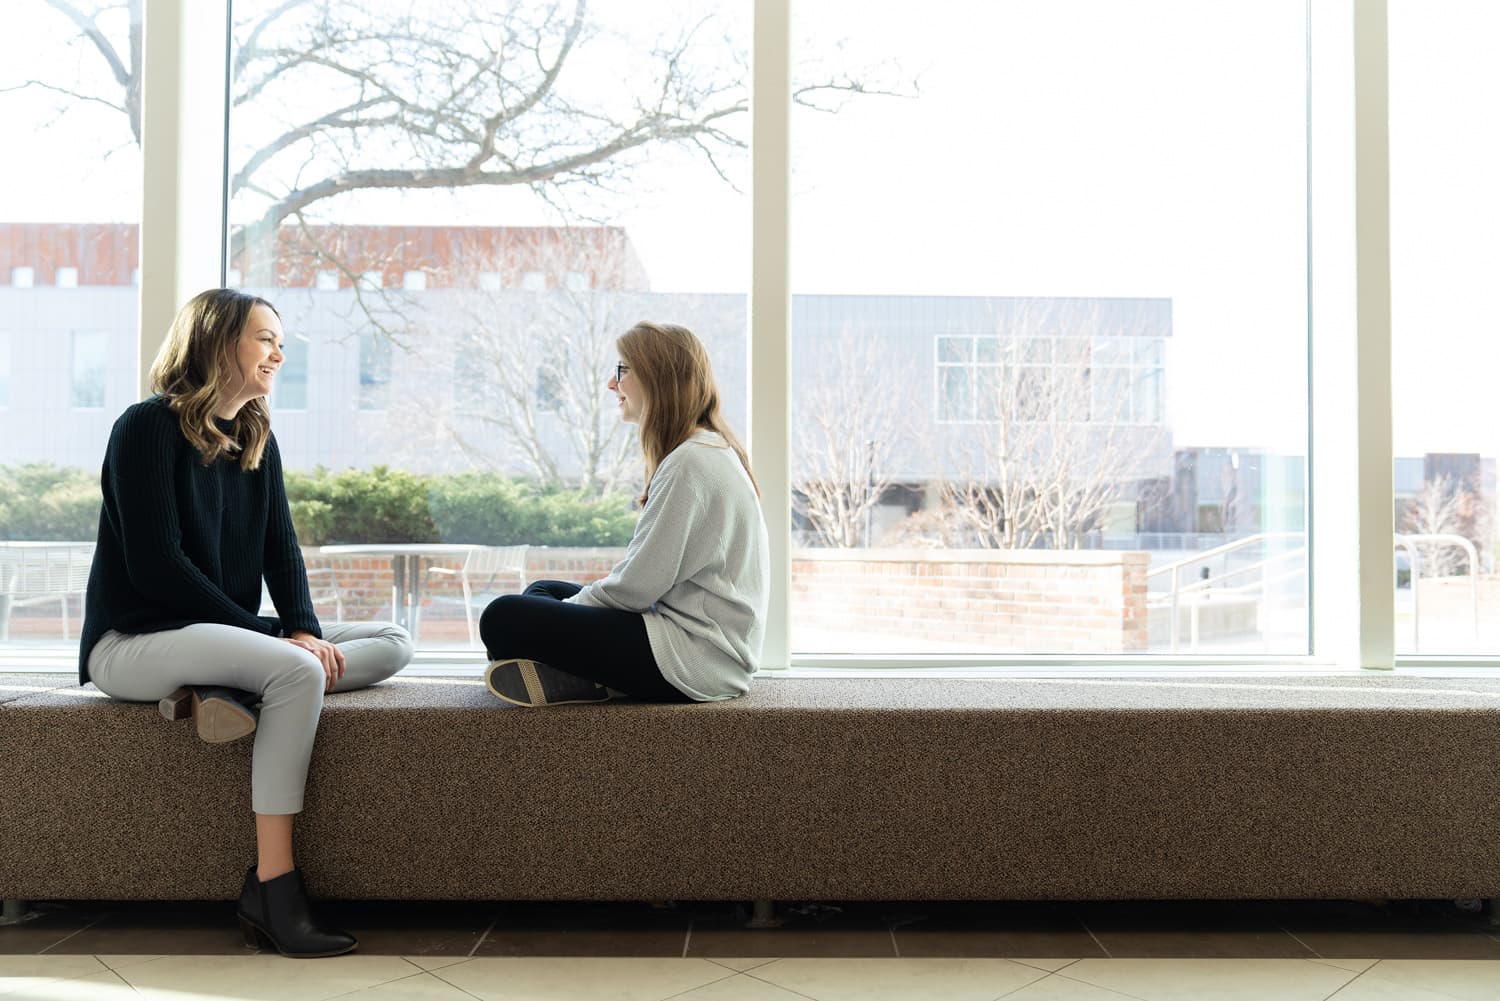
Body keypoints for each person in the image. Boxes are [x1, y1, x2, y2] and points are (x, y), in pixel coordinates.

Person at [79, 288, 412, 958]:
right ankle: (274, 888)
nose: (278, 353)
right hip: (137, 639)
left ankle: (231, 690)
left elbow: (280, 550)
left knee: (393, 643)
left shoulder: (257, 438)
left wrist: (302, 626)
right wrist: (273, 640)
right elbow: (157, 568)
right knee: (293, 669)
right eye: (265, 337)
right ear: (216, 340)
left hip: (218, 635)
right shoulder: (145, 427)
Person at [480, 320, 769, 707]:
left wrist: (557, 620)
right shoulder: (707, 450)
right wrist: (559, 615)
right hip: (687, 638)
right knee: (542, 592)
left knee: (501, 617)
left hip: (694, 659)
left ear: (654, 377)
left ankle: (581, 675)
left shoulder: (690, 463)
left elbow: (636, 586)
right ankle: (585, 678)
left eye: (622, 371)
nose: (612, 385)